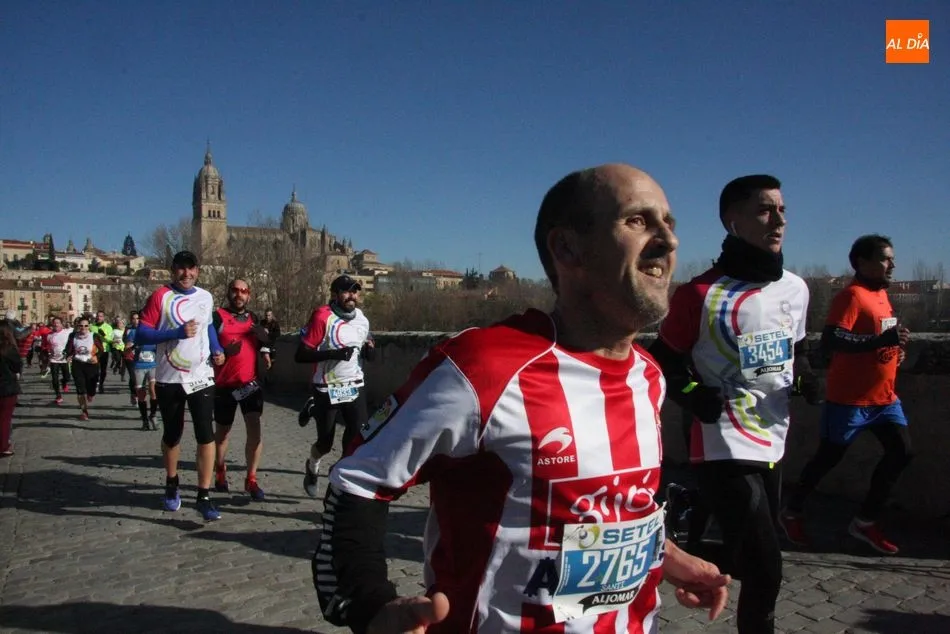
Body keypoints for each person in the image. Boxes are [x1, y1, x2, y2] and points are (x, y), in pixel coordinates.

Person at [313, 164, 730, 634]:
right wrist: (369, 604)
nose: (669, 241)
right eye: (637, 220)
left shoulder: (648, 374)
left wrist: (664, 554)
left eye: (669, 223)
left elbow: (608, 507)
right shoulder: (483, 366)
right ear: (566, 248)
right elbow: (359, 480)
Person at [648, 174, 820, 634]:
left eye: (782, 209)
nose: (779, 220)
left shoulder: (796, 288)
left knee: (752, 551)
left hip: (773, 433)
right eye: (765, 210)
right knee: (767, 566)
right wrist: (692, 395)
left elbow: (796, 348)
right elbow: (660, 362)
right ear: (733, 222)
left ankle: (678, 535)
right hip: (721, 436)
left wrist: (807, 377)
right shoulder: (700, 294)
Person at [781, 235, 912, 555]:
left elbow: (878, 337)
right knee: (827, 459)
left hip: (884, 399)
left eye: (892, 259)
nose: (892, 265)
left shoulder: (881, 295)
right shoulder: (851, 296)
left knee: (902, 452)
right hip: (850, 400)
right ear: (863, 263)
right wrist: (881, 342)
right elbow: (834, 340)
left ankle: (865, 521)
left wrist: (895, 350)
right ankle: (791, 512)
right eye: (885, 259)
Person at [136, 250, 225, 521]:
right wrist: (176, 332)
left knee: (205, 434)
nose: (186, 274)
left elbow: (208, 327)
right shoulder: (160, 296)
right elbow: (142, 333)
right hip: (169, 377)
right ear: (173, 270)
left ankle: (203, 496)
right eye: (181, 268)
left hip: (201, 376)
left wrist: (217, 348)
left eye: (191, 268)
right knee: (172, 434)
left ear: (198, 270)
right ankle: (172, 482)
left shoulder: (205, 296)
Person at [295, 274, 374, 498]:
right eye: (347, 291)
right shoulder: (322, 317)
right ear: (335, 294)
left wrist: (370, 351)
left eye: (355, 291)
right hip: (327, 386)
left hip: (354, 384)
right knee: (325, 443)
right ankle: (312, 466)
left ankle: (339, 473)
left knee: (358, 435)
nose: (352, 296)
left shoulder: (362, 319)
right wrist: (334, 354)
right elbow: (300, 355)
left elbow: (367, 349)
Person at [211, 278, 273, 501]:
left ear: (249, 294)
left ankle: (251, 478)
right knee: (222, 433)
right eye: (235, 290)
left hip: (250, 383)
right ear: (229, 292)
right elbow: (206, 345)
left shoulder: (253, 318)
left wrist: (265, 348)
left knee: (254, 430)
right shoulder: (217, 317)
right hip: (224, 384)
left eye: (244, 291)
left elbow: (262, 341)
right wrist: (222, 352)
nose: (239, 294)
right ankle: (220, 469)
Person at [64, 317, 106, 421]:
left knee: (91, 389)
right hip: (77, 364)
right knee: (80, 390)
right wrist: (68, 355)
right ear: (77, 326)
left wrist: (96, 357)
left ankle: (91, 394)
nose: (83, 327)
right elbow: (68, 349)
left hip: (91, 364)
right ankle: (84, 412)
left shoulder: (94, 336)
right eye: (81, 325)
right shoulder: (73, 335)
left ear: (89, 326)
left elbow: (101, 350)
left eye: (86, 325)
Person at [127, 310, 160, 431]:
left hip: (152, 365)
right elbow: (126, 349)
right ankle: (145, 420)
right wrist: (134, 346)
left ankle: (153, 415)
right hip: (139, 366)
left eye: (140, 319)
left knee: (153, 390)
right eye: (136, 319)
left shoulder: (153, 332)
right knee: (141, 394)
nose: (138, 321)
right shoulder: (133, 333)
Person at [0, 322, 22, 457]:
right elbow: (17, 366)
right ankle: (3, 446)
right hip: (6, 387)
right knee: (4, 418)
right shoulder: (9, 349)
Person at [46, 317, 72, 405]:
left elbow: (72, 343)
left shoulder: (67, 332)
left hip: (64, 359)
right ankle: (58, 395)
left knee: (67, 377)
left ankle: (64, 382)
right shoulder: (49, 335)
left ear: (61, 324)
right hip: (54, 359)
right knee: (54, 378)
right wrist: (48, 360)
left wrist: (70, 354)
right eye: (54, 323)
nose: (56, 324)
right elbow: (49, 348)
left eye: (58, 323)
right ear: (52, 324)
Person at [89, 311, 113, 394]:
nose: (99, 318)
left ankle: (101, 384)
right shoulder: (92, 327)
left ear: (103, 317)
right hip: (94, 351)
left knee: (103, 369)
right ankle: (95, 383)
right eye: (98, 316)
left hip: (104, 350)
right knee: (95, 369)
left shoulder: (108, 327)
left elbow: (110, 340)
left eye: (101, 316)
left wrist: (103, 335)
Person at [123, 311, 142, 406]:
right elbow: (125, 341)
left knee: (138, 378)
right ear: (131, 320)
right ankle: (134, 394)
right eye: (134, 319)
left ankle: (135, 393)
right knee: (133, 376)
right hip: (129, 356)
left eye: (137, 318)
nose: (136, 320)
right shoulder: (129, 329)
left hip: (141, 357)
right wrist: (131, 345)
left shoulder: (145, 330)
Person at [259, 308, 281, 385]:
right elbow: (258, 332)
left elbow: (278, 334)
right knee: (267, 362)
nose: (267, 317)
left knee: (272, 364)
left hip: (272, 345)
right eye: (266, 315)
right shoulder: (262, 322)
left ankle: (269, 378)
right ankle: (264, 378)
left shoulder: (275, 323)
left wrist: (269, 333)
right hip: (264, 345)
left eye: (269, 315)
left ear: (272, 315)